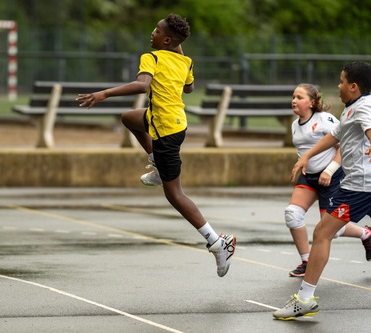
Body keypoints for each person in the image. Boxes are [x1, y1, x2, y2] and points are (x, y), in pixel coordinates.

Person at [76, 13, 236, 277]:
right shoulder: (185, 62)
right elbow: (190, 89)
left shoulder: (151, 57)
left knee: (175, 195)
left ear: (167, 39)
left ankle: (217, 242)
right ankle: (156, 164)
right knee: (129, 118)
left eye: (157, 30)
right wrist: (178, 50)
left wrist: (105, 92)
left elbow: (142, 86)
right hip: (172, 121)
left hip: (166, 131)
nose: (152, 32)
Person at [273, 61, 371, 320]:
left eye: (341, 81)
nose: (337, 86)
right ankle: (305, 298)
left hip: (361, 187)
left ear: (353, 86)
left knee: (322, 232)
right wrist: (306, 157)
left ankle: (305, 299)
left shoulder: (364, 107)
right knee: (322, 231)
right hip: (358, 184)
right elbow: (334, 136)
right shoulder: (351, 109)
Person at [285, 83, 371, 278]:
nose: (294, 100)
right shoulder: (294, 125)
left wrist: (330, 170)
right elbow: (307, 150)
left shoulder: (325, 119)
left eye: (299, 97)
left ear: (312, 102)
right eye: (293, 97)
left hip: (331, 179)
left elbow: (342, 145)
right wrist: (303, 160)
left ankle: (365, 234)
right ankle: (306, 261)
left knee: (332, 229)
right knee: (292, 214)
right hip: (309, 178)